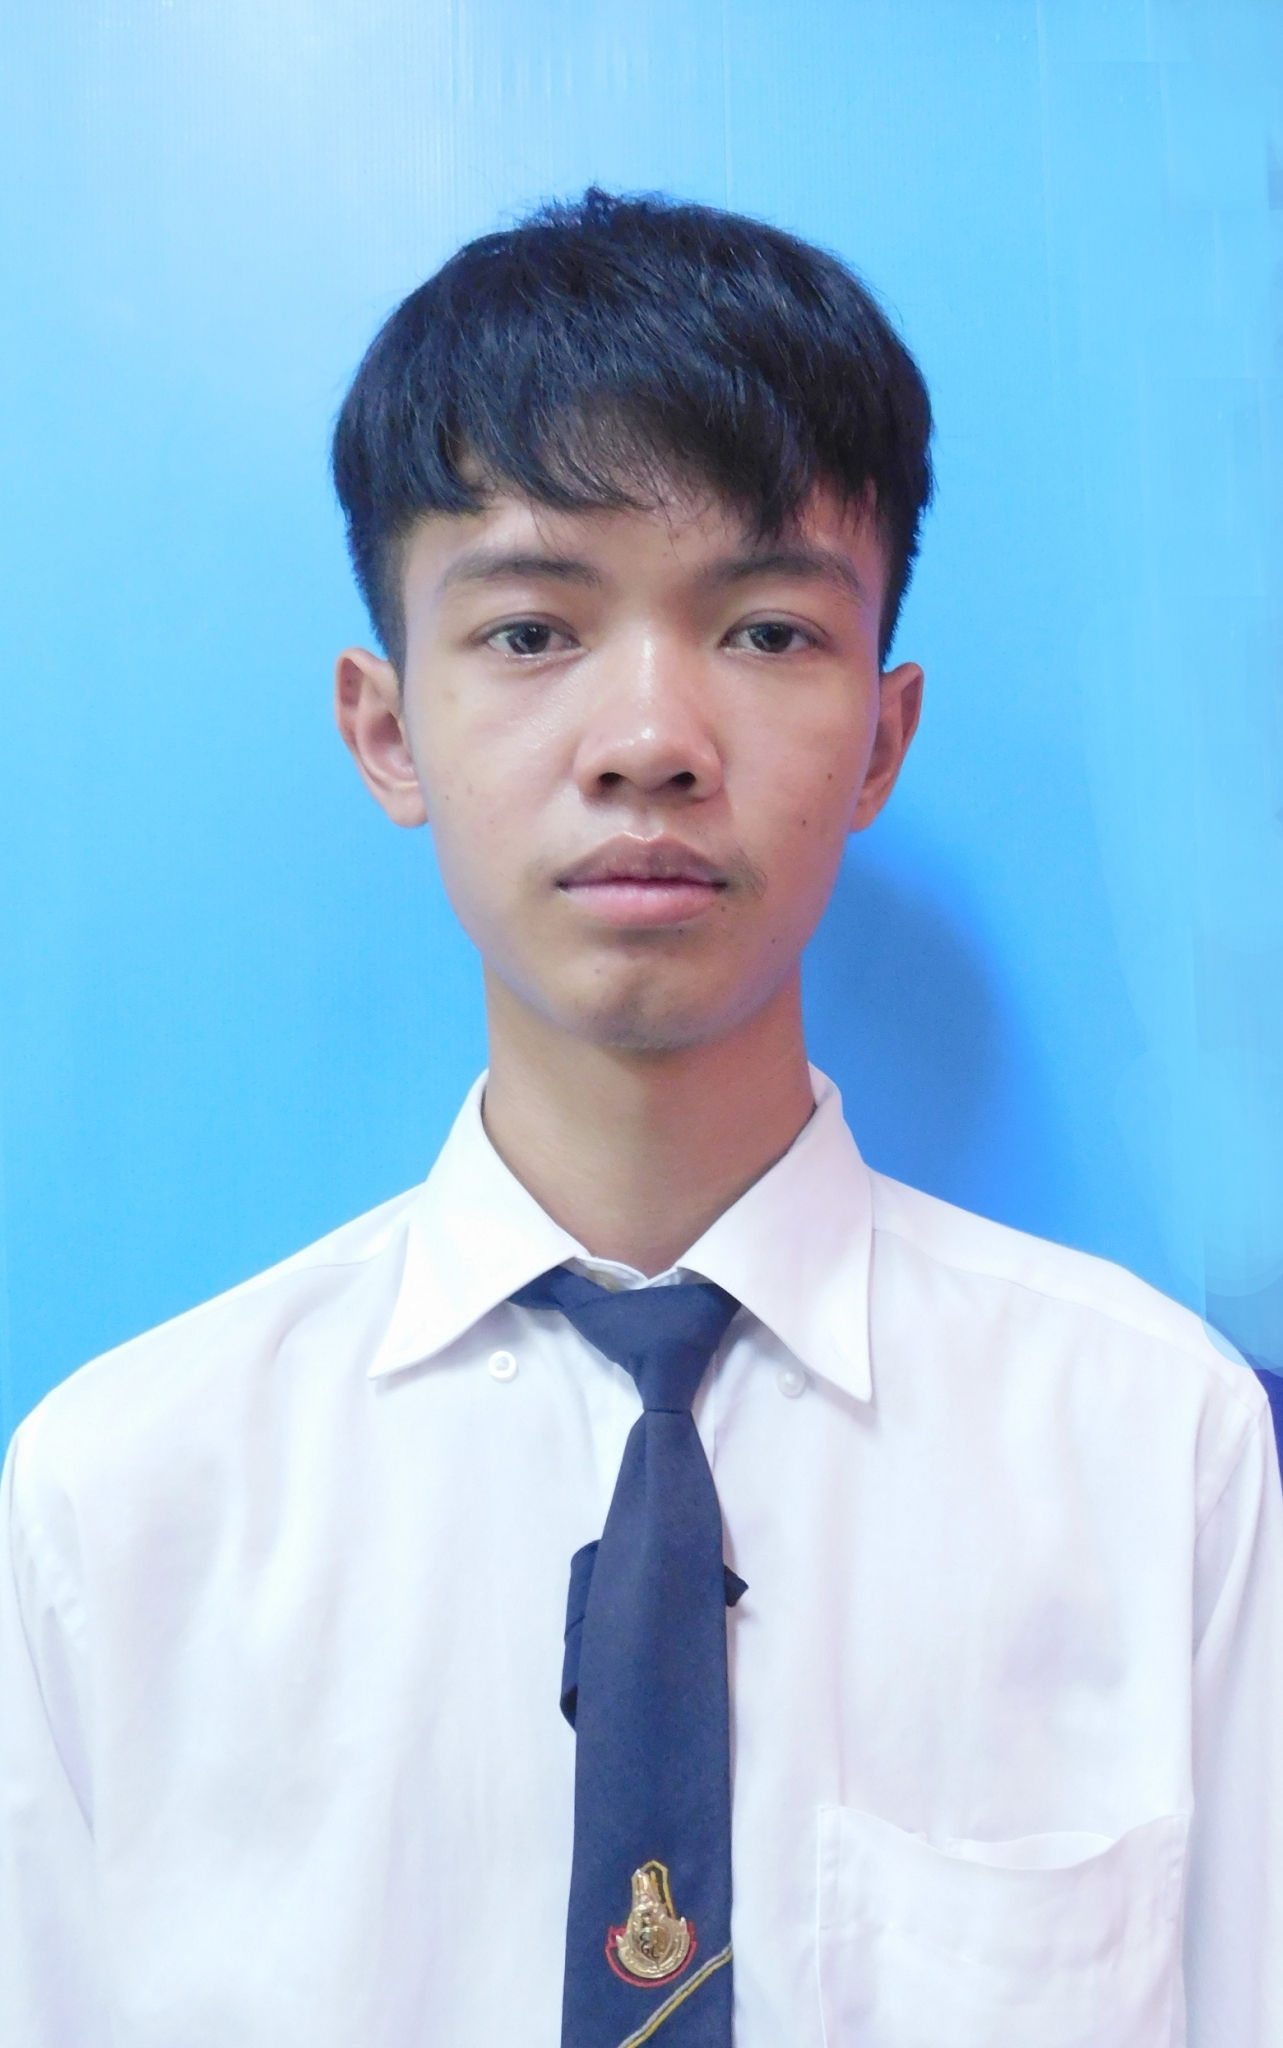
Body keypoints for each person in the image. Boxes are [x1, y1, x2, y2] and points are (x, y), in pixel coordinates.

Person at [1, 189, 1279, 2048]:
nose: (652, 738)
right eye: (533, 631)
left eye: (765, 630)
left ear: (883, 737)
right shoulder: (119, 1507)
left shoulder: (1160, 1453)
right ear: (386, 729)